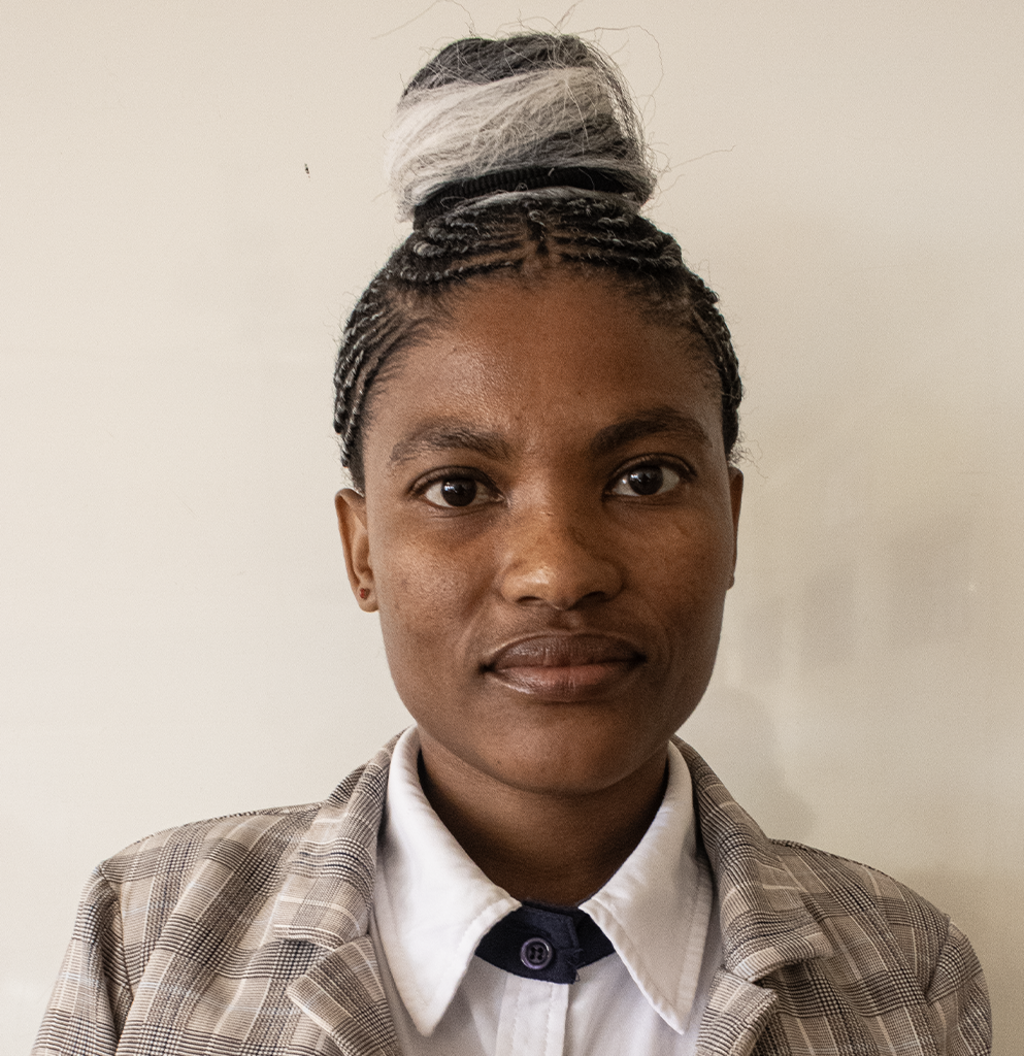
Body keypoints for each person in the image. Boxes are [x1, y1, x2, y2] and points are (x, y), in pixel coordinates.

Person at [34, 33, 990, 1056]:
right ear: (362, 551)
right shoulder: (149, 936)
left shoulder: (905, 971)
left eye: (644, 478)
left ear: (730, 522)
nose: (558, 571)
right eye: (458, 488)